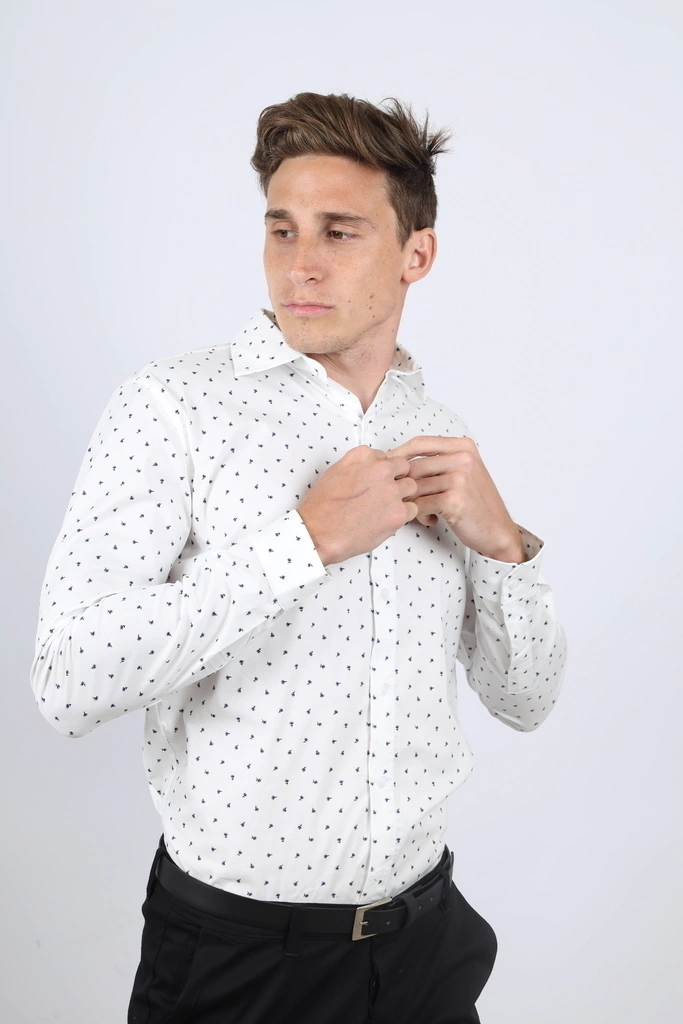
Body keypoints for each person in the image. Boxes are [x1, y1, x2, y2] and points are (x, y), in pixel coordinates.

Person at [30, 91, 568, 1024]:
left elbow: (526, 702)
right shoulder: (173, 408)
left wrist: (503, 546)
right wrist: (301, 544)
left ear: (416, 254)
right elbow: (66, 679)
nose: (300, 264)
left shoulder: (439, 437)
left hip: (426, 947)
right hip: (241, 962)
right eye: (281, 230)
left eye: (338, 232)